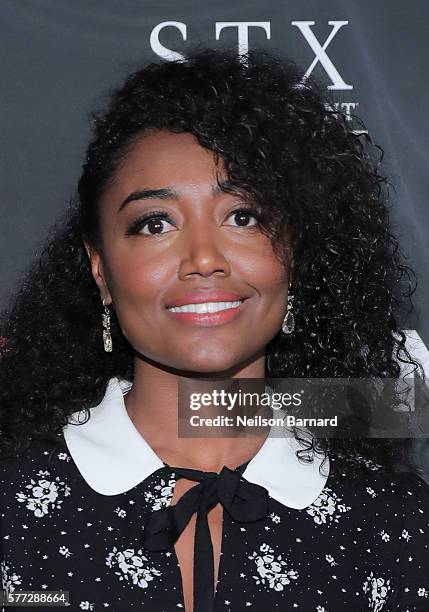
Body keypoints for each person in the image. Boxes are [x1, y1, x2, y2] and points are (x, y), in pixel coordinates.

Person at [0, 48, 428, 612]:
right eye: (155, 223)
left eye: (243, 217)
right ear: (100, 268)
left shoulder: (398, 526)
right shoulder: (11, 505)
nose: (204, 258)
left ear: (294, 256)